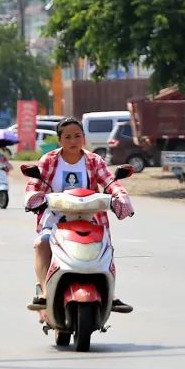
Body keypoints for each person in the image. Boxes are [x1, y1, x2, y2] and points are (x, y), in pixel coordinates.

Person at [24, 117, 134, 314]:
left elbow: (110, 181)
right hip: (56, 219)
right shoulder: (49, 160)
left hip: (90, 218)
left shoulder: (94, 160)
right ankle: (44, 293)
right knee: (42, 243)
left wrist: (120, 195)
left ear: (83, 137)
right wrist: (33, 197)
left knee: (105, 247)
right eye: (67, 137)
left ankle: (111, 293)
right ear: (60, 140)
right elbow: (34, 183)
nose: (73, 141)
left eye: (77, 136)